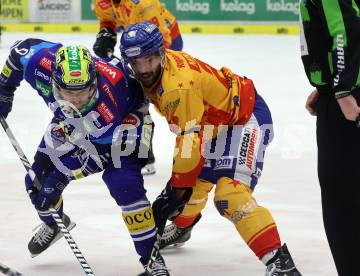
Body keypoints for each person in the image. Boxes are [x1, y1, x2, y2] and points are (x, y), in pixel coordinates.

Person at [120, 21, 302, 275]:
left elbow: (188, 141)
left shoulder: (177, 88)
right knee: (190, 186)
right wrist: (178, 189)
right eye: (135, 63)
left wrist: (174, 190)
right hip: (211, 123)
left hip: (243, 118)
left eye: (148, 60)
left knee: (229, 195)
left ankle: (279, 262)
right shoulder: (160, 69)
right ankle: (183, 226)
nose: (142, 69)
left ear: (160, 54)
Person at [0, 40, 169, 275]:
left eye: (83, 91)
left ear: (95, 83)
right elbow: (20, 50)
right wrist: (3, 89)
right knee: (36, 181)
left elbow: (98, 155)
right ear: (54, 81)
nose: (77, 100)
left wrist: (60, 177)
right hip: (75, 123)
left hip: (126, 123)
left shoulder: (107, 101)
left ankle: (152, 260)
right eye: (69, 92)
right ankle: (54, 224)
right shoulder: (41, 63)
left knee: (124, 183)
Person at [300, 1, 360, 275]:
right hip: (342, 91)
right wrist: (325, 85)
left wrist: (341, 89)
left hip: (348, 100)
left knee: (342, 200)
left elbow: (344, 29)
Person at [93, 0, 184, 175]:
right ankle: (144, 155)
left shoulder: (144, 4)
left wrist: (149, 73)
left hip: (166, 41)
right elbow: (108, 18)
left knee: (162, 97)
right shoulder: (102, 1)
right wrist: (107, 32)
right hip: (135, 40)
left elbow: (162, 42)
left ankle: (196, 142)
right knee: (137, 97)